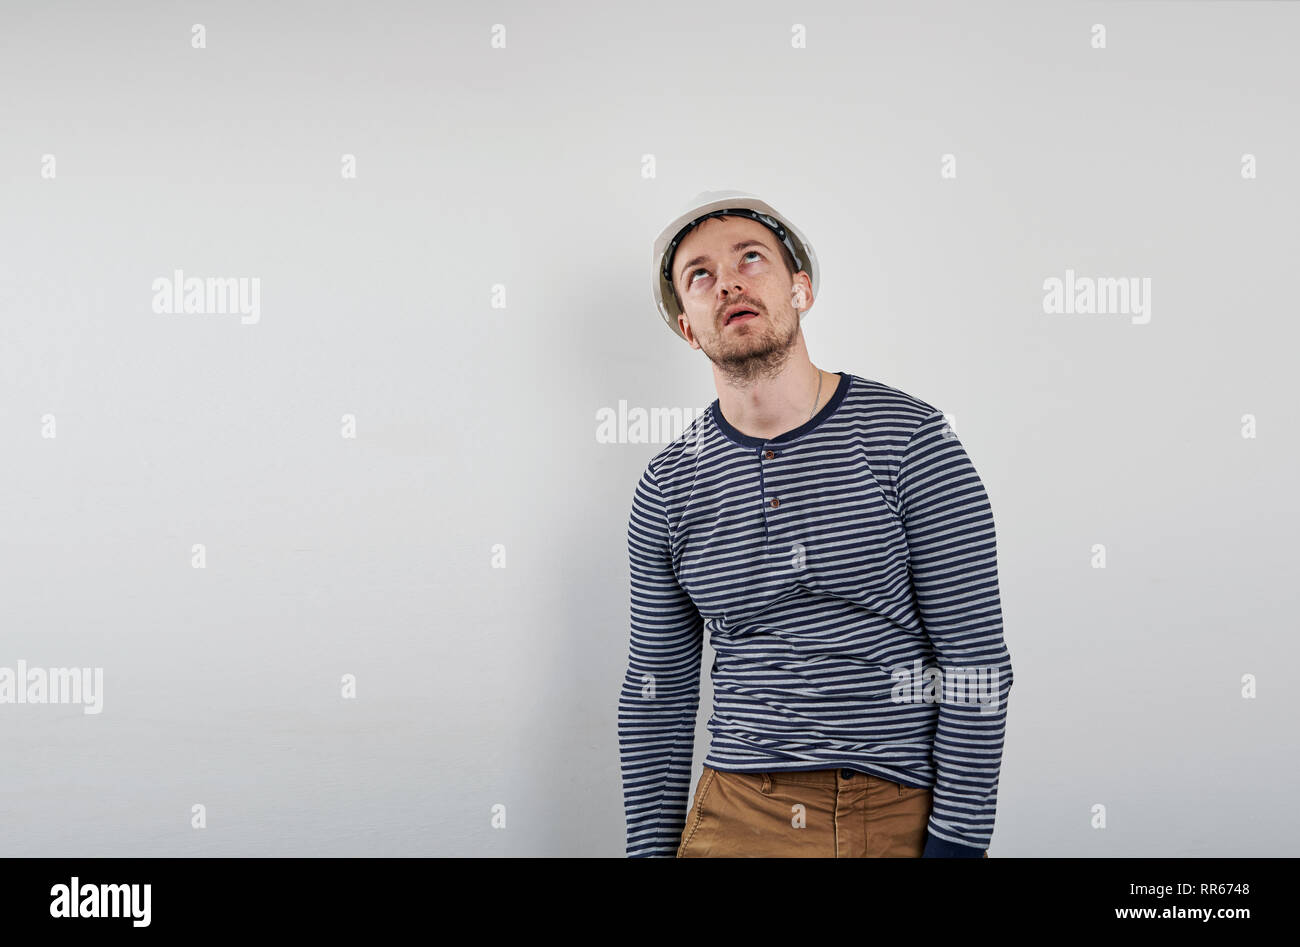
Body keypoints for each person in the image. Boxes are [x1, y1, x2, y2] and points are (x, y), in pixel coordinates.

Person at [617, 190, 1013, 858]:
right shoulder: (667, 486)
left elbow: (975, 664)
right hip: (734, 806)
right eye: (701, 275)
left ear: (799, 288)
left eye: (752, 258)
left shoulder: (912, 440)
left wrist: (957, 848)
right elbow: (657, 692)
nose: (731, 282)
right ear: (688, 325)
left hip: (891, 806)